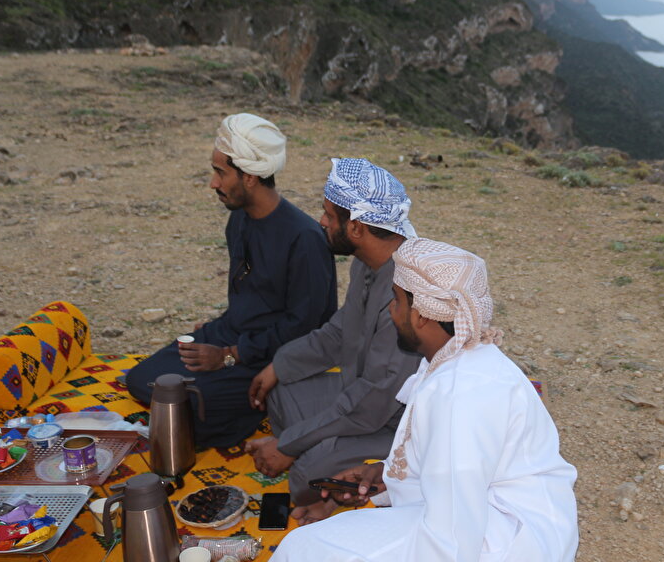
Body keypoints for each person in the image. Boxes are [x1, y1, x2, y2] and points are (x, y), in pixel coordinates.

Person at [269, 238, 579, 562]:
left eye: (396, 300)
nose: (392, 310)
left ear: (420, 316)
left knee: (301, 550)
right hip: (474, 514)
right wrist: (385, 475)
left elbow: (454, 537)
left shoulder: (460, 396)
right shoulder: (454, 357)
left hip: (505, 539)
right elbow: (443, 467)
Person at [125, 113, 336, 448]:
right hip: (232, 334)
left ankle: (259, 402)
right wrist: (218, 336)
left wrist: (229, 355)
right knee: (143, 380)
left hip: (277, 354)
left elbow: (304, 327)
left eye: (221, 173)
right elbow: (248, 295)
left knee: (192, 406)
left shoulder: (304, 238)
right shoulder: (239, 220)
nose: (213, 183)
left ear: (249, 177)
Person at [245, 158, 421, 520]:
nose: (322, 222)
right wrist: (280, 365)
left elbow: (373, 402)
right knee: (281, 389)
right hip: (360, 395)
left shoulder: (406, 294)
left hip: (400, 423)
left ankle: (342, 482)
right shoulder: (367, 260)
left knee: (307, 475)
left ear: (356, 227)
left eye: (328, 214)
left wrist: (289, 444)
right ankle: (316, 447)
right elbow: (340, 331)